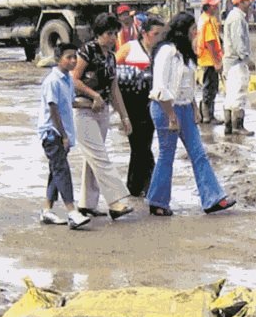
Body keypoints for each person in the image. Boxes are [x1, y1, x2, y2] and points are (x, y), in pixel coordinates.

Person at [146, 12, 237, 217]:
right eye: (192, 29)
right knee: (166, 155)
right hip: (165, 107)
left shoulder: (185, 53)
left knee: (199, 153)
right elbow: (160, 86)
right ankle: (157, 201)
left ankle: (213, 198)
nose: (196, 32)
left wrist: (194, 107)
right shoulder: (166, 52)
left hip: (185, 107)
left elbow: (186, 86)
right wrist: (170, 115)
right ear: (183, 30)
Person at [72, 13, 135, 220]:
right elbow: (75, 79)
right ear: (99, 34)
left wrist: (124, 117)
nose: (113, 38)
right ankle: (116, 202)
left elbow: (114, 87)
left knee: (93, 159)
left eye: (115, 33)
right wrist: (94, 95)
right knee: (100, 157)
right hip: (84, 110)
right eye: (109, 33)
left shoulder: (110, 56)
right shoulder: (87, 51)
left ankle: (87, 204)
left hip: (102, 112)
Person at [36, 42, 91, 229]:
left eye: (75, 57)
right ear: (58, 59)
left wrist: (91, 104)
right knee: (62, 171)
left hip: (62, 132)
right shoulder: (52, 81)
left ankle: (46, 210)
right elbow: (54, 109)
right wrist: (64, 135)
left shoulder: (67, 79)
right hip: (53, 134)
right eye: (69, 57)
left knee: (55, 171)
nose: (73, 60)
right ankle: (72, 211)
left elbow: (69, 103)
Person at [116, 14, 167, 197]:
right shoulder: (130, 48)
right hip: (131, 105)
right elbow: (111, 72)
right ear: (144, 33)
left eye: (162, 34)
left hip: (152, 104)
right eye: (156, 34)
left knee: (142, 145)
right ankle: (145, 185)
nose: (159, 38)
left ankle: (136, 187)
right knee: (139, 146)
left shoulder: (162, 52)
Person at [221, 0, 256, 135]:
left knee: (230, 95)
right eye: (247, 1)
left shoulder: (235, 16)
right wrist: (247, 59)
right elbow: (238, 42)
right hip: (236, 62)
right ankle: (237, 126)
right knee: (238, 93)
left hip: (231, 62)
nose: (250, 4)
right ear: (240, 3)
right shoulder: (237, 18)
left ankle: (229, 125)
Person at [196, 0, 223, 124]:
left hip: (205, 59)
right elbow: (210, 42)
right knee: (210, 88)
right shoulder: (207, 21)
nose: (216, 7)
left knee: (209, 87)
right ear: (208, 7)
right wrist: (216, 62)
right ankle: (208, 116)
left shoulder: (204, 18)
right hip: (208, 60)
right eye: (214, 5)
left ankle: (205, 114)